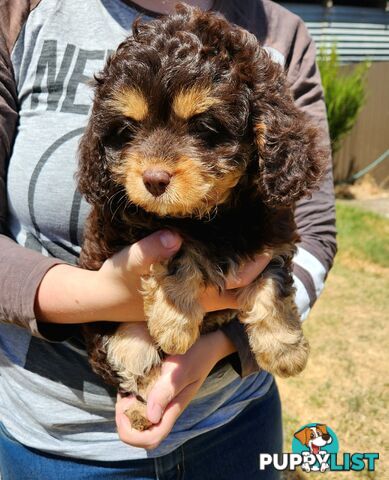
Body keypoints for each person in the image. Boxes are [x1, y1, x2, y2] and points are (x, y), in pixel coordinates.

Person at [0, 0, 337, 478]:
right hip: (56, 439)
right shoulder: (21, 13)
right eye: (130, 128)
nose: (155, 166)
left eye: (202, 127)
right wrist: (105, 300)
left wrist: (224, 343)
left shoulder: (283, 33)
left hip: (234, 420)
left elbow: (314, 232)